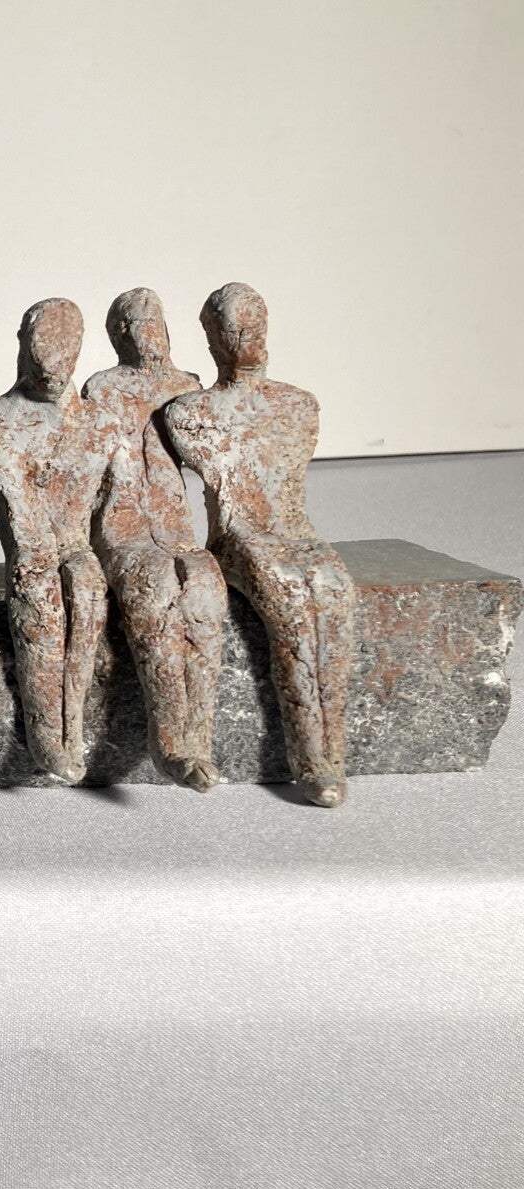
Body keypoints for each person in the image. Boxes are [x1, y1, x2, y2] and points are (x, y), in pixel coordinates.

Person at [162, 283, 357, 806]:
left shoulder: (297, 405)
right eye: (235, 329)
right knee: (290, 594)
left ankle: (332, 753)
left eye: (256, 325)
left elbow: (286, 497)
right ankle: (313, 761)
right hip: (238, 537)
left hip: (296, 533)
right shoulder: (191, 414)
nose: (249, 338)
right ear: (212, 339)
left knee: (335, 589)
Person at [83, 289, 228, 792]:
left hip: (176, 529)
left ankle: (199, 737)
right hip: (123, 526)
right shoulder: (104, 388)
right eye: (135, 324)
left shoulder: (186, 385)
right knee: (154, 587)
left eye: (155, 321)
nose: (149, 333)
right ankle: (169, 740)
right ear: (118, 334)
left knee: (205, 585)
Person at [0, 298, 109, 783]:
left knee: (88, 587)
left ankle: (72, 729)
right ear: (25, 347)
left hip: (74, 545)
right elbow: (23, 518)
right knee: (39, 589)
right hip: (32, 545)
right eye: (44, 354)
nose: (54, 370)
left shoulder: (97, 424)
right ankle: (47, 734)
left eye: (66, 356)